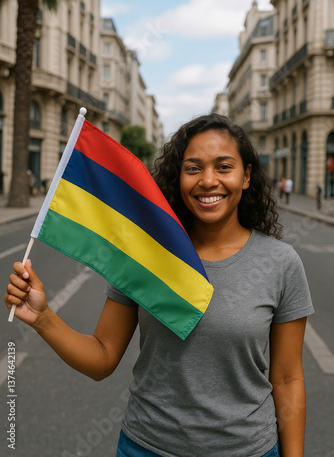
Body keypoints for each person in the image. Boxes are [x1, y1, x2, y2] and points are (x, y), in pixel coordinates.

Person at [5, 114, 314, 457]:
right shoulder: (145, 253)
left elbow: (288, 379)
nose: (208, 180)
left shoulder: (281, 263)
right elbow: (102, 358)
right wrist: (43, 317)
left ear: (247, 176)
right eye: (193, 168)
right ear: (178, 177)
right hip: (146, 448)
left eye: (224, 167)